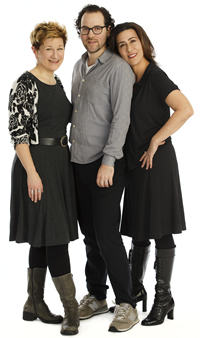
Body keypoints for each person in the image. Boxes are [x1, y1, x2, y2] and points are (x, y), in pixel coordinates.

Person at [109, 22, 194, 326]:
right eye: (122, 44)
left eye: (134, 41)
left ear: (143, 43)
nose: (130, 48)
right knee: (139, 228)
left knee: (160, 229)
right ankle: (134, 290)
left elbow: (185, 108)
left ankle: (163, 297)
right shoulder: (126, 78)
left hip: (156, 162)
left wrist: (157, 140)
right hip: (134, 163)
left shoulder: (155, 77)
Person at [69, 5, 138, 333]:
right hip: (78, 161)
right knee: (90, 235)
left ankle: (127, 304)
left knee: (108, 234)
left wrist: (109, 161)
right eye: (85, 28)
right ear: (79, 30)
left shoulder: (119, 69)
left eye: (97, 28)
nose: (91, 35)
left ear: (108, 29)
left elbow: (120, 118)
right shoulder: (78, 67)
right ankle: (96, 296)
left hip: (106, 163)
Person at [8, 22, 79, 335]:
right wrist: (32, 174)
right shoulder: (25, 83)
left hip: (59, 164)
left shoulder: (58, 81)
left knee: (43, 234)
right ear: (35, 50)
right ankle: (71, 310)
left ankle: (33, 303)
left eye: (60, 48)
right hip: (35, 165)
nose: (55, 54)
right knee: (55, 236)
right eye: (48, 48)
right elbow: (19, 133)